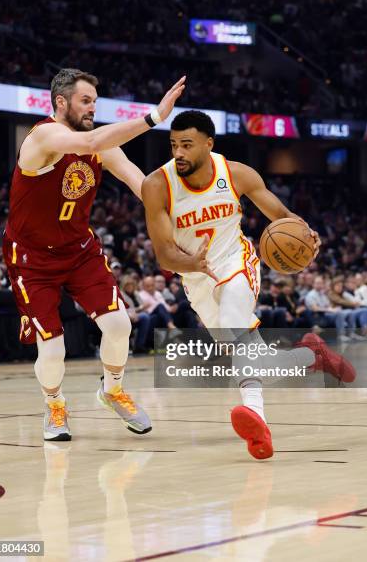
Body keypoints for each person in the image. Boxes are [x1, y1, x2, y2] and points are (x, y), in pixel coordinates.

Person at [142, 110, 355, 461]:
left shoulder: (236, 173)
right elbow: (165, 254)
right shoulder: (157, 185)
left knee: (232, 324)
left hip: (236, 263)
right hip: (196, 279)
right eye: (173, 145)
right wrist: (189, 263)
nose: (178, 152)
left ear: (208, 145)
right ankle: (312, 356)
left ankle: (258, 423)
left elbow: (282, 216)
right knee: (251, 360)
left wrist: (308, 235)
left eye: (187, 145)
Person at [3, 67, 185, 441]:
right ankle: (55, 403)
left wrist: (168, 221)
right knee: (52, 349)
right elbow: (87, 144)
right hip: (32, 258)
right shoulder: (43, 137)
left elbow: (135, 177)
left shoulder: (99, 142)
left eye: (94, 103)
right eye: (85, 101)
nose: (91, 109)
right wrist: (154, 118)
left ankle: (113, 390)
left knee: (120, 325)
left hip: (79, 249)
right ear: (61, 102)